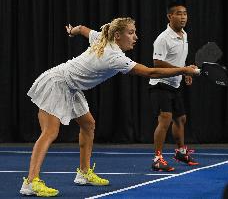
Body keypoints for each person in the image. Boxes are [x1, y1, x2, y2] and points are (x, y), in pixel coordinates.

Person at [19, 17, 199, 197]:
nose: (135, 37)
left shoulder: (102, 38)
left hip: (72, 87)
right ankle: (31, 182)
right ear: (118, 35)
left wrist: (72, 31)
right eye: (131, 33)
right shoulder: (114, 57)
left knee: (88, 125)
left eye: (135, 32)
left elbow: (82, 29)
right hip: (57, 82)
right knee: (50, 132)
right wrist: (183, 70)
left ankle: (84, 173)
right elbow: (150, 72)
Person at [149, 2, 199, 172]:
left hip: (174, 84)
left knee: (181, 119)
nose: (183, 17)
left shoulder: (184, 34)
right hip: (160, 84)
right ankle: (157, 158)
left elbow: (178, 61)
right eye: (179, 13)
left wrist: (185, 72)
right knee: (165, 119)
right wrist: (182, 70)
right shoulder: (163, 38)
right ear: (170, 17)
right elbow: (157, 62)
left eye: (185, 13)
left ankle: (180, 152)